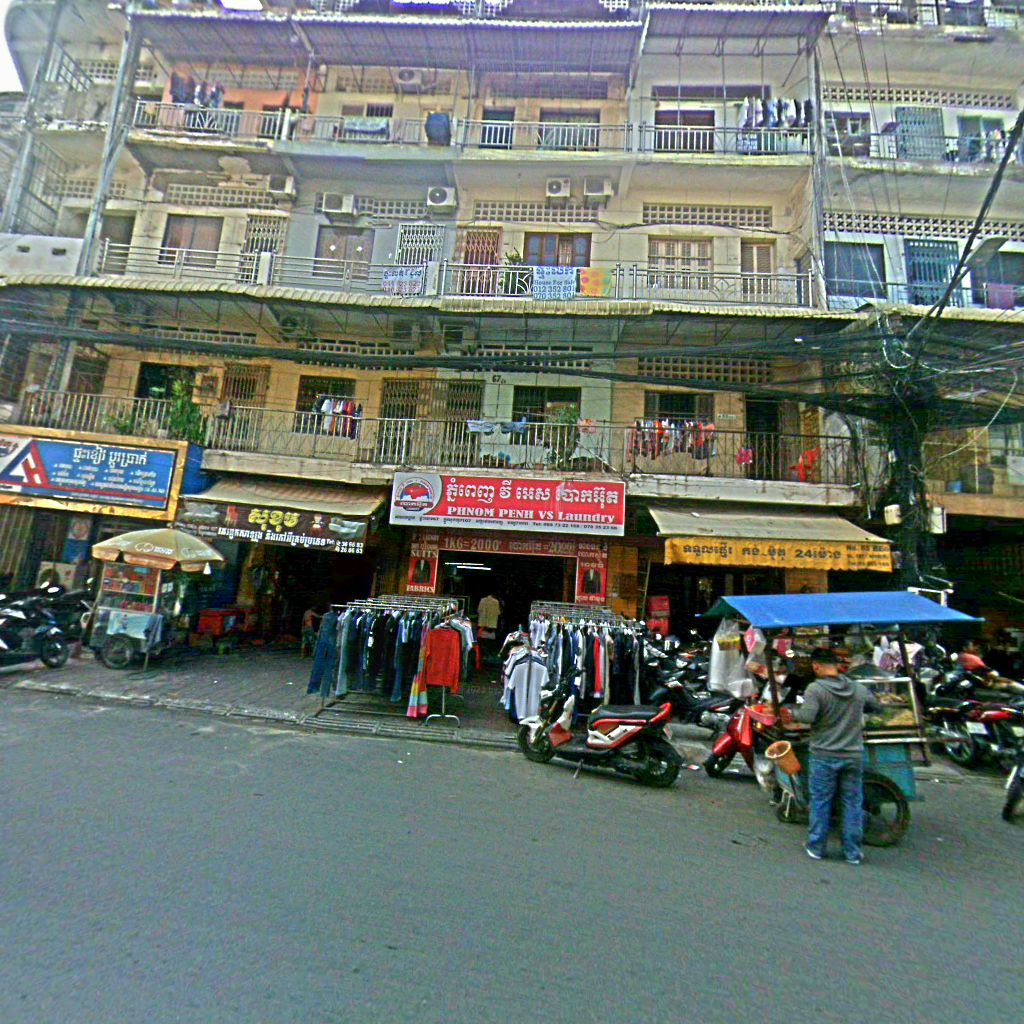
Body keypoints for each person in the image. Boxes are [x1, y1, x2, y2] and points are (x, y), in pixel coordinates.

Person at [785, 647, 880, 865]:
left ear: (816, 666)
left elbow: (808, 717)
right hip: (853, 754)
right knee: (852, 803)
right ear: (837, 666)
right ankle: (852, 852)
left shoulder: (815, 689)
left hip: (824, 754)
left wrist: (791, 713)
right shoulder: (857, 688)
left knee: (821, 801)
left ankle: (816, 847)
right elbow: (874, 706)